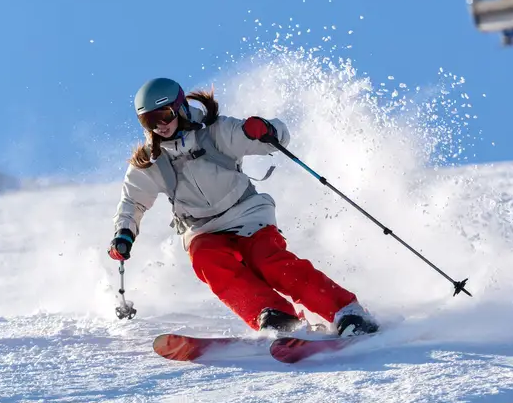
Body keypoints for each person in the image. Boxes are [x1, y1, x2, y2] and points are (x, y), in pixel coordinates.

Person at [108, 77, 379, 337]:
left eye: (165, 115)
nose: (160, 126)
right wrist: (124, 233)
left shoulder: (216, 132)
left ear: (180, 108)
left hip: (246, 214)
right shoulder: (150, 161)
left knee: (268, 260)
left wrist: (264, 131)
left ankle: (346, 311)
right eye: (149, 120)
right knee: (207, 260)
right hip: (201, 228)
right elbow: (132, 202)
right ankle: (274, 314)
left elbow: (278, 137)